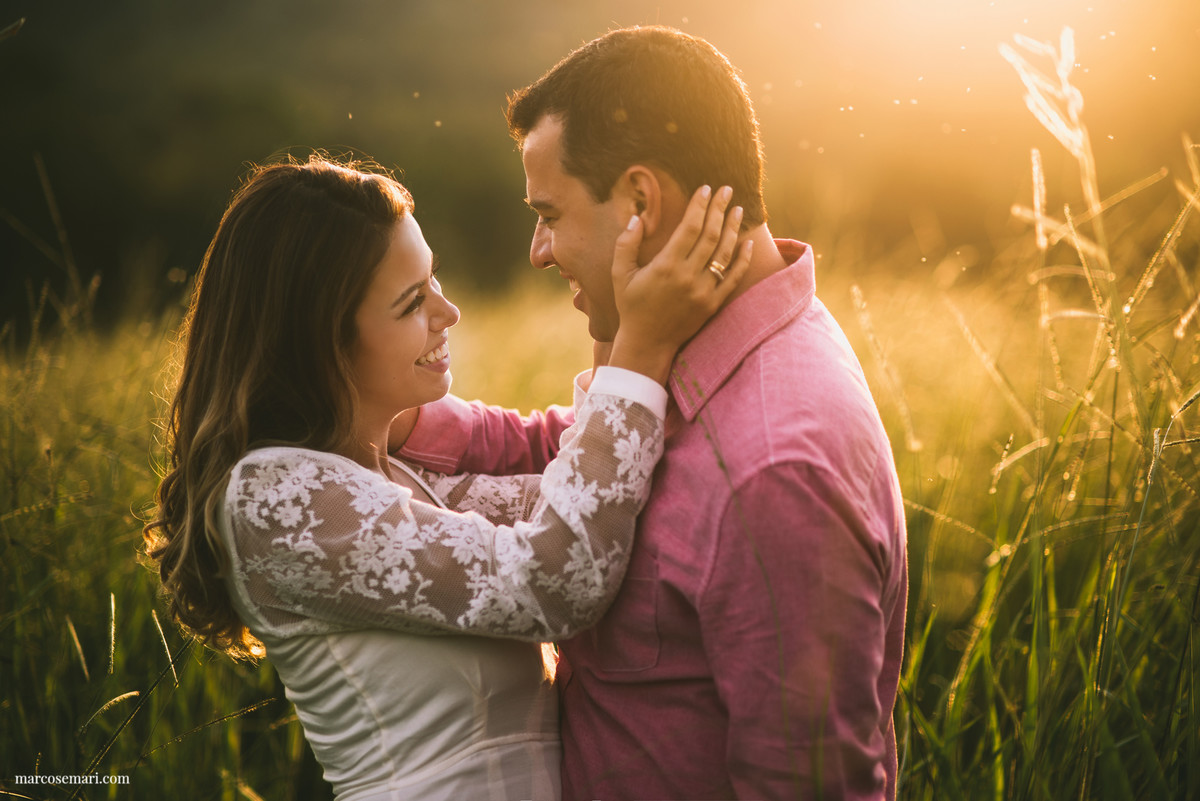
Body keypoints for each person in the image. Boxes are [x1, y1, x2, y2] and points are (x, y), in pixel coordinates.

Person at [393, 26, 908, 800]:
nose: (539, 250)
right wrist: (384, 420)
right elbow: (575, 450)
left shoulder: (774, 470)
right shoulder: (690, 348)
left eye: (550, 213)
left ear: (640, 201)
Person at [143, 154, 751, 801]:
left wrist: (618, 317)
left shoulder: (390, 473)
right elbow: (556, 578)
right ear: (319, 341)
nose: (448, 311)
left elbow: (578, 496)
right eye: (413, 302)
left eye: (433, 279)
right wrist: (640, 347)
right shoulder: (276, 499)